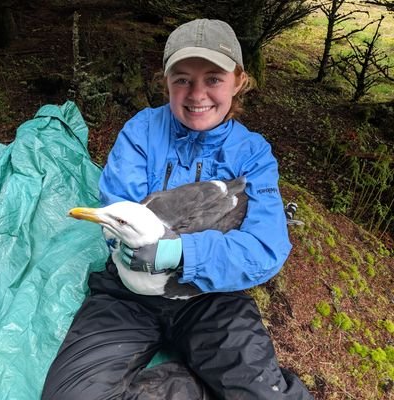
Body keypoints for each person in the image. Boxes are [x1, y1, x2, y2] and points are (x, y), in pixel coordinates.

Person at [42, 18, 313, 400]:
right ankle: (199, 385)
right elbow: (119, 214)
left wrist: (182, 252)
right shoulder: (142, 132)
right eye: (182, 78)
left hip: (210, 295)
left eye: (214, 79)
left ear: (239, 81)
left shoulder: (252, 154)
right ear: (166, 82)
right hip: (128, 294)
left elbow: (265, 249)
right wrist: (136, 249)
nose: (197, 93)